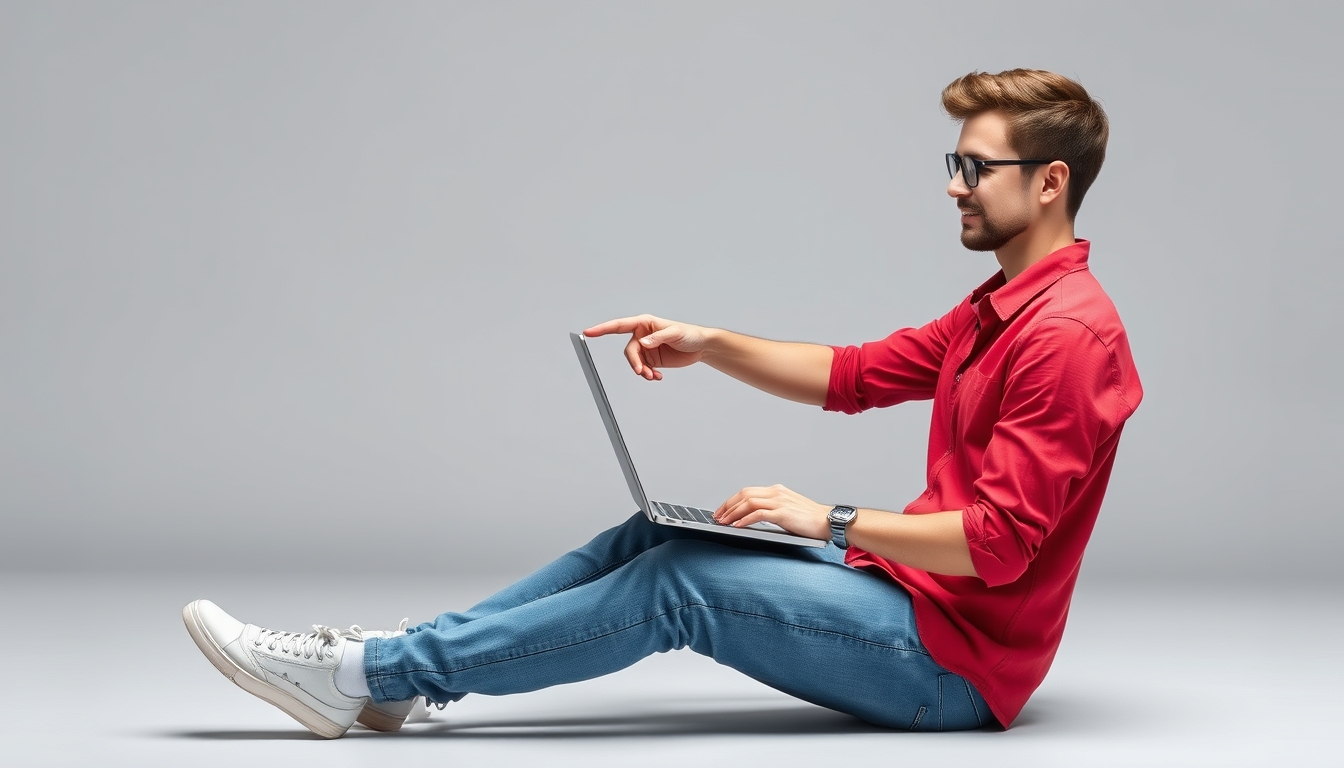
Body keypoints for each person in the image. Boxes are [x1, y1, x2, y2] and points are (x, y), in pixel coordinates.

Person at [182, 68, 1142, 737]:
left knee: (681, 584)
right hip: (907, 599)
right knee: (652, 534)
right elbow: (855, 374)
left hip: (953, 666)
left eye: (976, 169)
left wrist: (829, 519)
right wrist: (710, 343)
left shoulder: (1065, 335)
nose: (954, 188)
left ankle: (365, 677)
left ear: (1050, 183)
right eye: (953, 165)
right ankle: (402, 665)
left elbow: (1000, 543)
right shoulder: (999, 309)